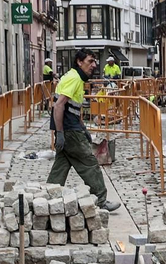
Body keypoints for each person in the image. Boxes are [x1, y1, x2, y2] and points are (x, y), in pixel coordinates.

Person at [49, 51, 121, 211]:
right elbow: (59, 106)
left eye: (95, 61)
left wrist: (83, 127)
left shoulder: (73, 77)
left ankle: (49, 195)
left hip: (70, 128)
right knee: (90, 163)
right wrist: (60, 133)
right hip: (70, 131)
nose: (94, 65)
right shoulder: (74, 79)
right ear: (79, 62)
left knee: (61, 165)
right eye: (90, 61)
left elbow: (73, 108)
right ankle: (101, 199)